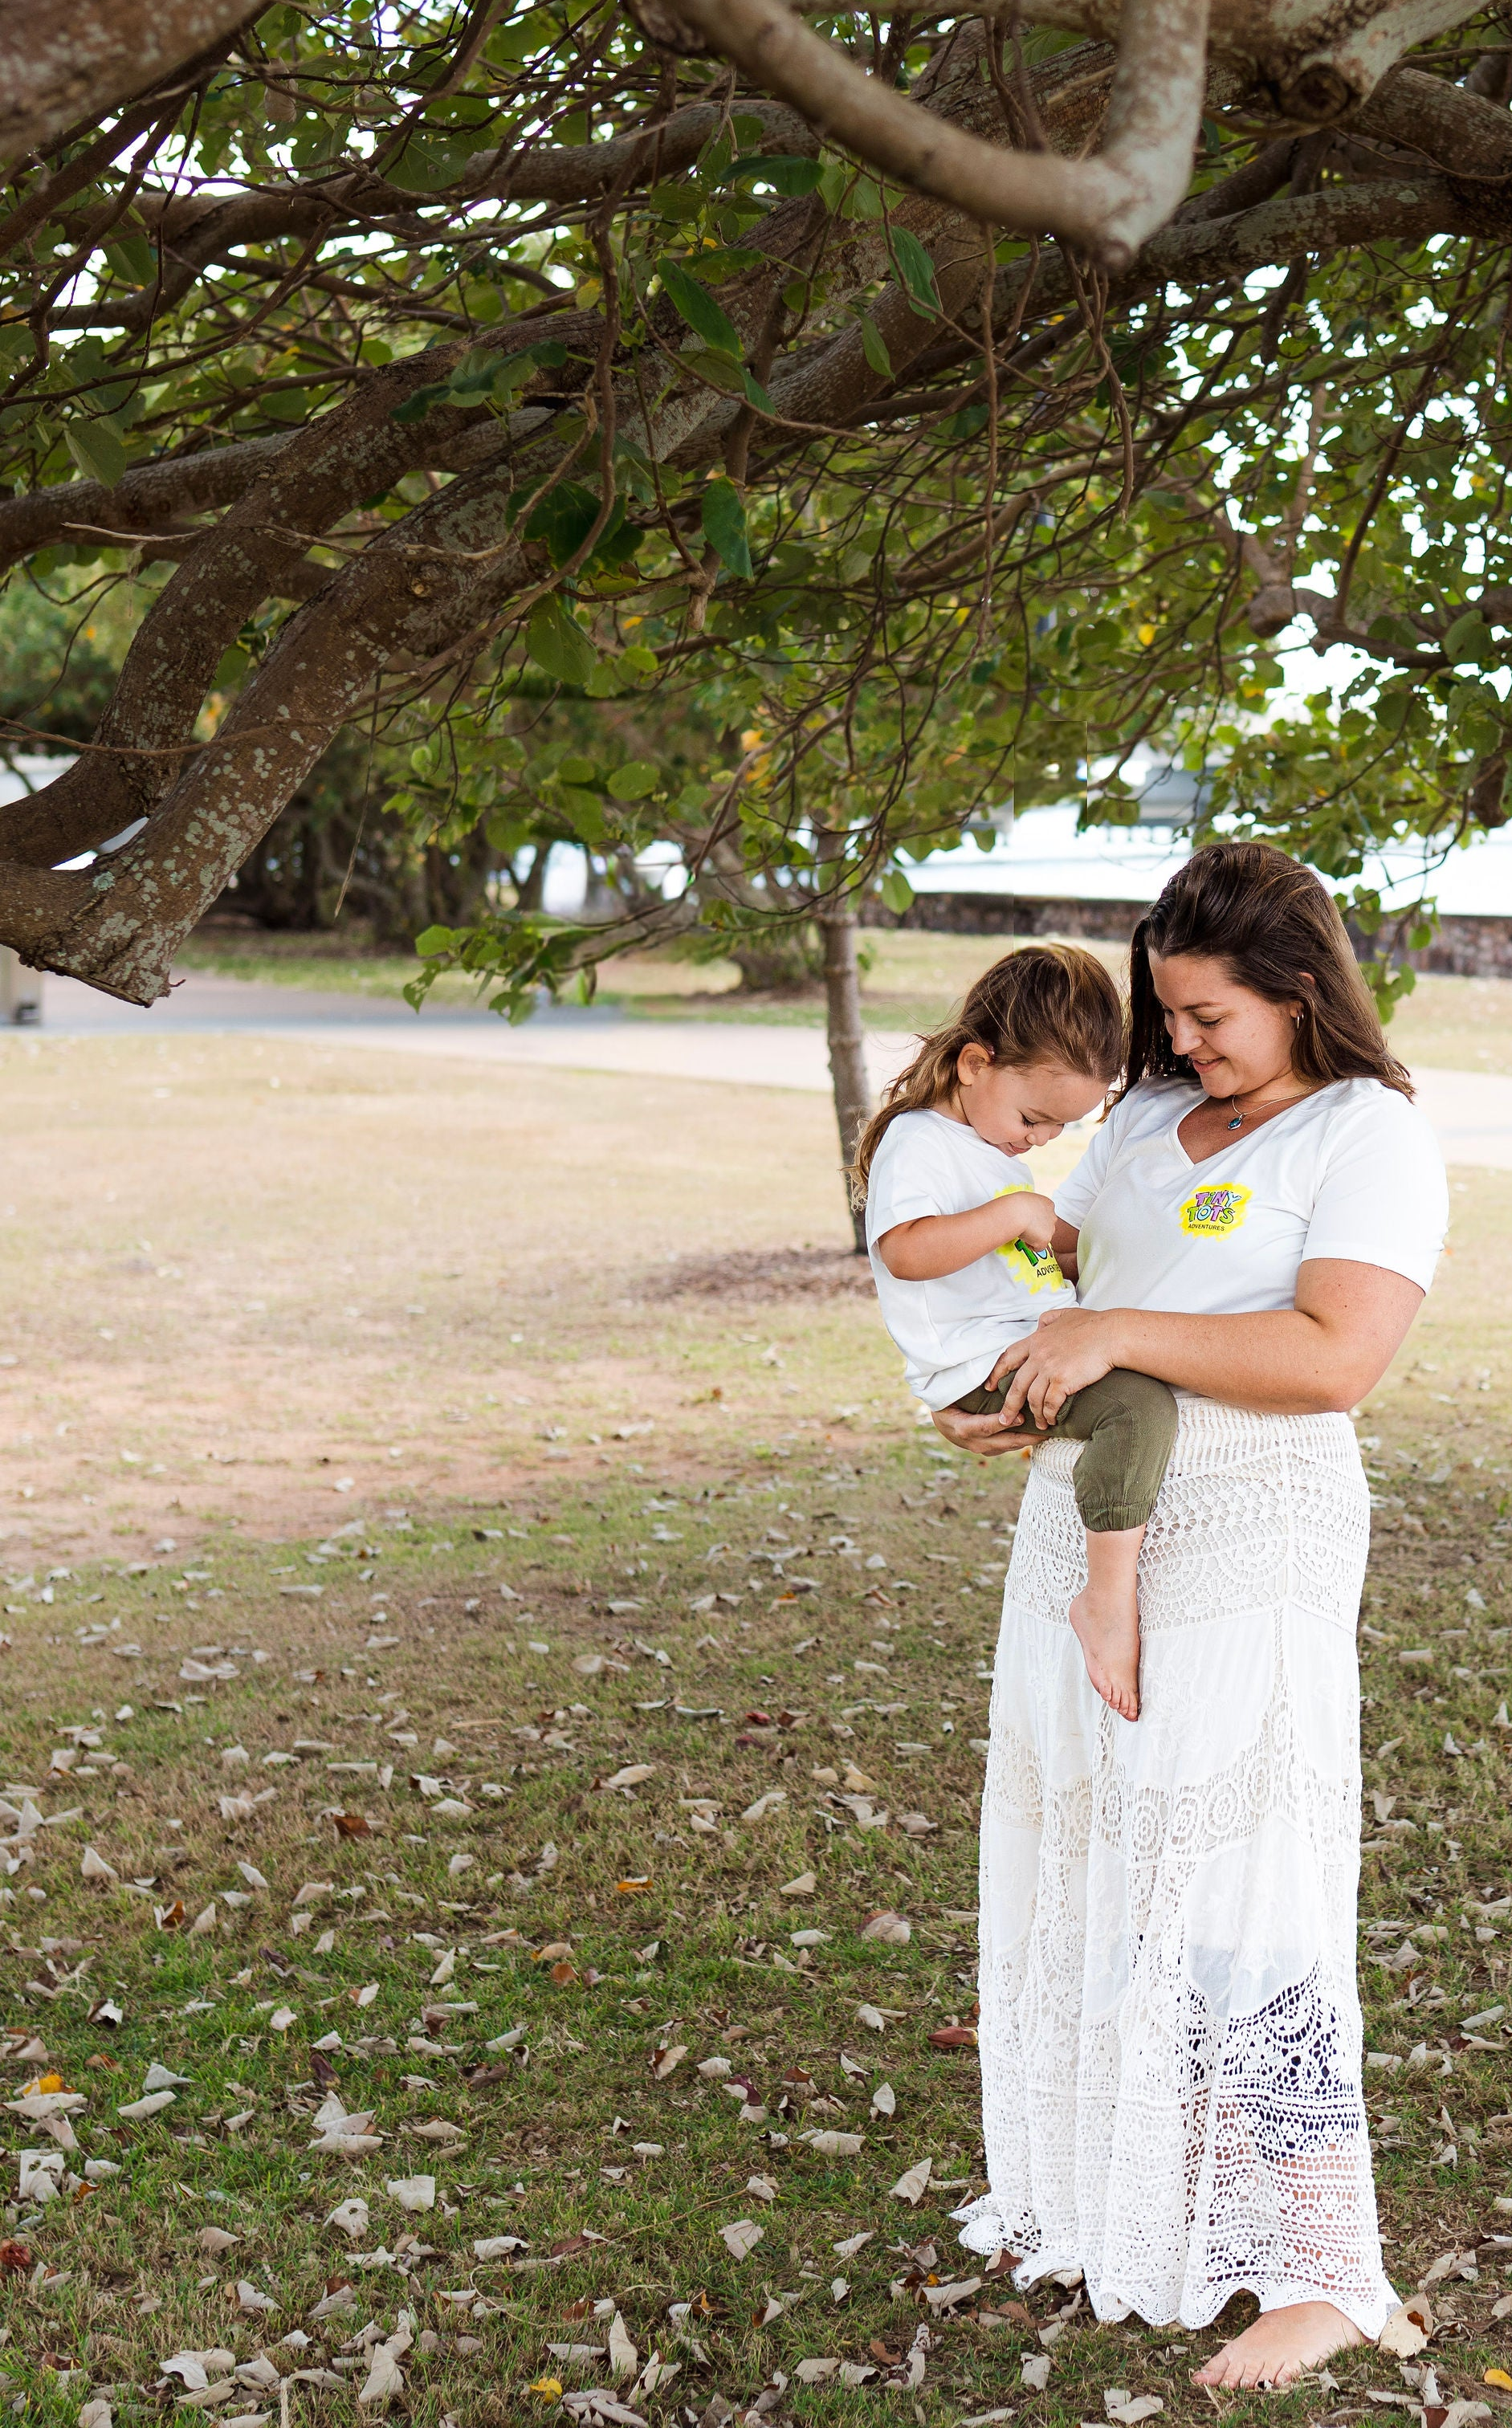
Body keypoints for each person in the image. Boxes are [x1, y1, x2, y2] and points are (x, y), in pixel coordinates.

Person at [933, 841, 1448, 2389]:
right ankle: (1117, 2192)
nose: (1180, 1041)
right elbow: (1063, 1274)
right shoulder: (1149, 1115)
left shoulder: (1366, 1134)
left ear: (1300, 991)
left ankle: (1317, 2263)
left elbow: (1332, 1356)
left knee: (1238, 1877)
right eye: (1166, 1008)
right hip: (1096, 1524)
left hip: (1255, 1534)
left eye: (1211, 1012)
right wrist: (1010, 1378)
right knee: (1094, 1841)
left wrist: (1105, 1327)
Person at [855, 943, 1178, 1721]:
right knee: (1136, 1410)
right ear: (973, 1063)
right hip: (976, 1362)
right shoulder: (918, 1142)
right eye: (1034, 1118)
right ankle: (1103, 1599)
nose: (1037, 1141)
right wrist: (1011, 1214)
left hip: (1007, 1337)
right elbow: (901, 1251)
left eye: (1054, 1128)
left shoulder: (980, 1142)